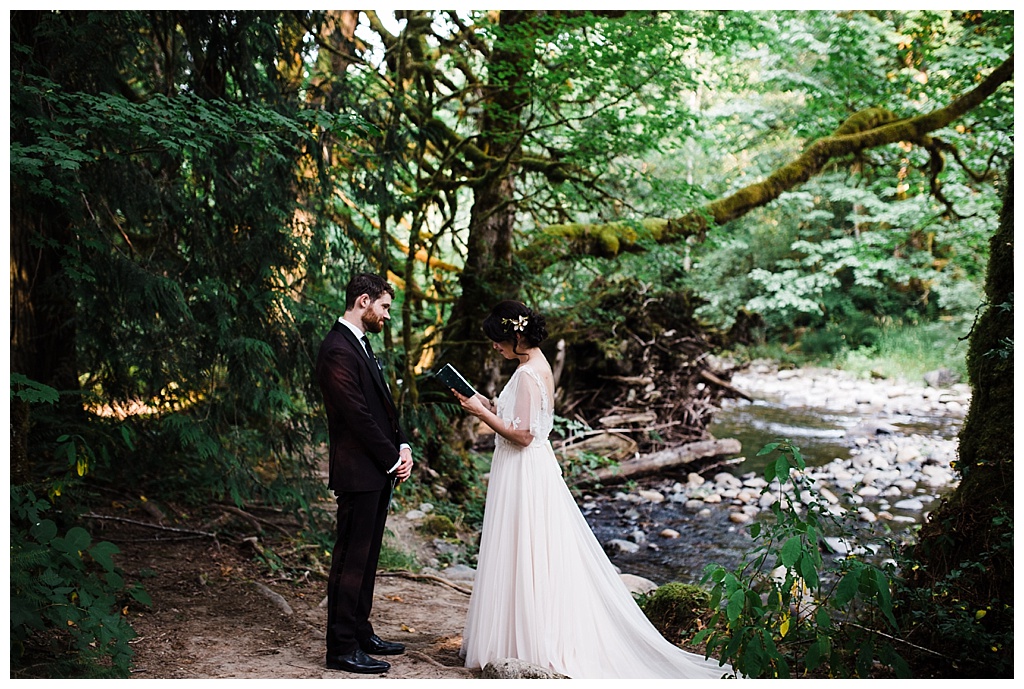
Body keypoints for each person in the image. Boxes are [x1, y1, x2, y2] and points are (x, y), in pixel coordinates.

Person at [451, 300, 734, 679]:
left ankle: (527, 644)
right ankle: (514, 639)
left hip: (522, 470)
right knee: (526, 551)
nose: (494, 346)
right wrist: (486, 403)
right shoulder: (534, 366)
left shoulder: (527, 373)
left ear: (516, 334)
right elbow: (519, 416)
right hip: (528, 470)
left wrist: (480, 414)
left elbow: (522, 434)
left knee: (524, 549)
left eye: (498, 339)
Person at [315, 273, 414, 674]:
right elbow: (356, 416)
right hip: (359, 471)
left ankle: (360, 631)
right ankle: (340, 647)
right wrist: (391, 458)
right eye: (384, 307)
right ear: (363, 301)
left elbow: (384, 404)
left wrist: (403, 444)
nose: (387, 315)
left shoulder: (361, 344)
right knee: (349, 561)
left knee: (368, 557)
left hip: (377, 469)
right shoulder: (337, 349)